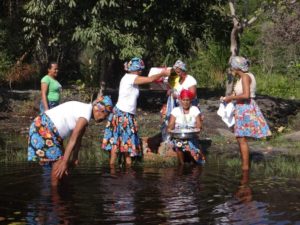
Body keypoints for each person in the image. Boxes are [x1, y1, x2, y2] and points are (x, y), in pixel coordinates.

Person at [28, 95, 113, 186]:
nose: (104, 119)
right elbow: (73, 139)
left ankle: (62, 190)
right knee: (59, 164)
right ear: (99, 110)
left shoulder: (85, 112)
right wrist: (64, 162)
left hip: (46, 128)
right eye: (106, 115)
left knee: (62, 165)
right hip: (44, 128)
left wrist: (75, 157)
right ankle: (55, 197)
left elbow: (79, 138)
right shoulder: (85, 115)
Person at [102, 57, 170, 167]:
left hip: (122, 113)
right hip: (123, 114)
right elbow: (150, 80)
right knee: (122, 143)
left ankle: (114, 170)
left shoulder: (130, 78)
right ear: (135, 70)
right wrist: (162, 73)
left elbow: (151, 81)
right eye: (139, 70)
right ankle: (123, 170)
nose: (141, 72)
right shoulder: (130, 78)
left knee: (119, 142)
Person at [220, 56, 271, 171]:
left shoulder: (245, 77)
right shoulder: (244, 76)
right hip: (242, 107)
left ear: (236, 67)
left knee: (241, 138)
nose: (231, 69)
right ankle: (245, 165)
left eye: (232, 67)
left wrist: (230, 97)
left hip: (245, 108)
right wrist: (229, 98)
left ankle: (245, 168)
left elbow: (246, 95)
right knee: (240, 137)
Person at [161, 59, 203, 141]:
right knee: (165, 115)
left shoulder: (190, 80)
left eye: (179, 72)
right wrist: (170, 91)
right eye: (175, 72)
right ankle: (171, 138)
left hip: (189, 105)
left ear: (184, 71)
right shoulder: (176, 79)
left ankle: (191, 139)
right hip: (177, 105)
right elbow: (171, 89)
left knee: (189, 122)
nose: (177, 74)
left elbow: (192, 94)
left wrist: (179, 96)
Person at [167, 89, 205, 165]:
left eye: (187, 100)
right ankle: (181, 164)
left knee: (194, 148)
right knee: (179, 143)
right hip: (178, 135)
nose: (185, 102)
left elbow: (199, 125)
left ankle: (194, 161)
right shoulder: (176, 110)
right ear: (180, 100)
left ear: (190, 100)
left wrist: (199, 125)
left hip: (192, 135)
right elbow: (170, 126)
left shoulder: (194, 109)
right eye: (183, 100)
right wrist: (171, 126)